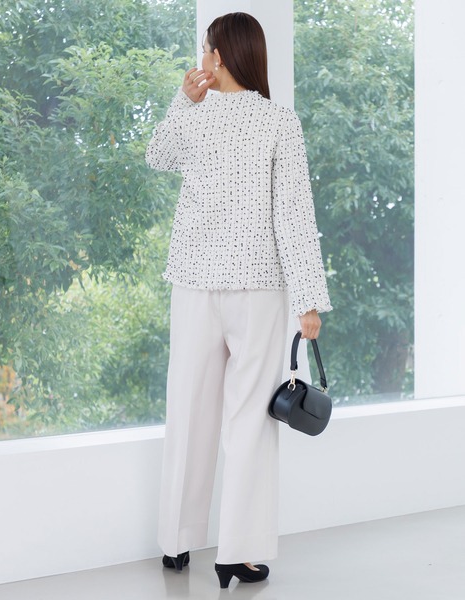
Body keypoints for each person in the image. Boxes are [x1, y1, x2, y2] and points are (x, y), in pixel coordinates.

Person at [145, 11, 332, 589]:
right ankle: (238, 553)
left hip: (195, 286)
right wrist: (308, 300)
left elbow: (157, 155)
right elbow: (294, 215)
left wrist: (183, 101)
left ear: (220, 56)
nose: (201, 60)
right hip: (257, 290)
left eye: (205, 50)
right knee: (250, 422)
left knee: (188, 412)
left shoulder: (195, 116)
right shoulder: (280, 121)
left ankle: (176, 542)